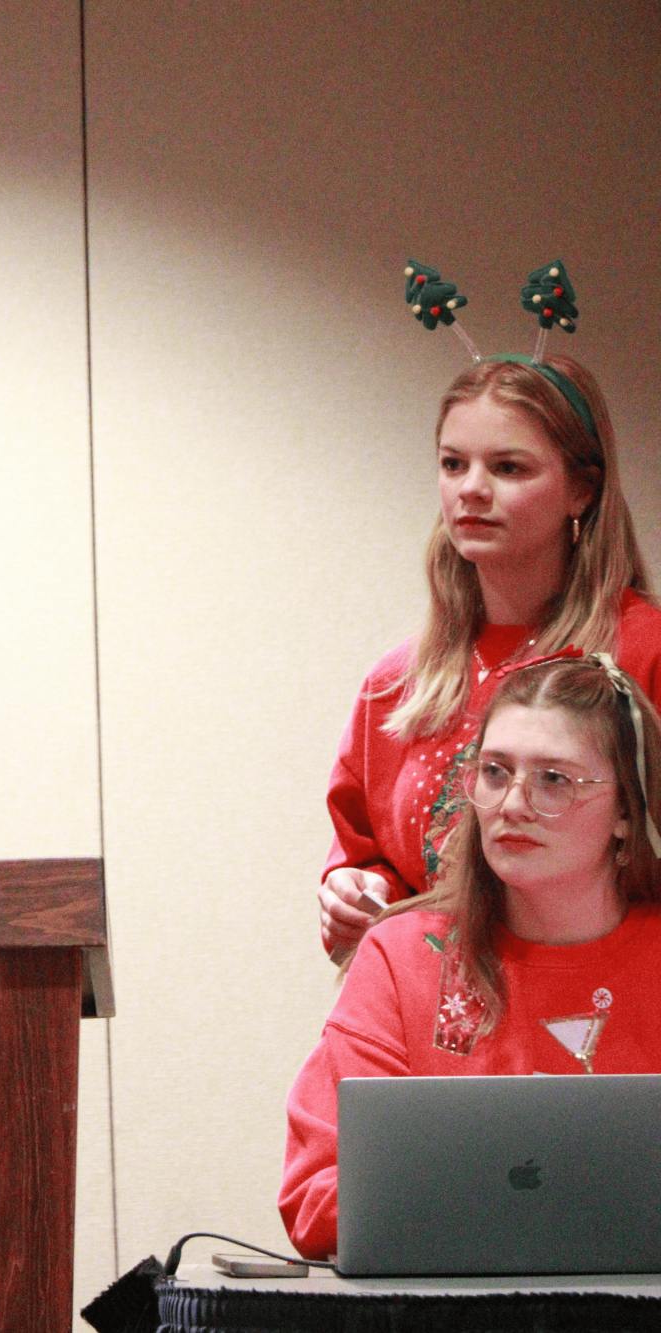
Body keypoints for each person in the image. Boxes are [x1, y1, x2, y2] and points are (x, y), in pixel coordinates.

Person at [283, 654, 661, 1258]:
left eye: (554, 780)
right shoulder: (402, 955)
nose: (512, 804)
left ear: (625, 811)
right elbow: (316, 1194)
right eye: (494, 772)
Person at [319, 354, 661, 959]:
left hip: (611, 1002)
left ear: (581, 488)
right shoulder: (399, 682)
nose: (471, 489)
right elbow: (366, 851)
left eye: (507, 467)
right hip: (433, 1005)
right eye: (454, 464)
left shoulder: (643, 650)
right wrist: (356, 891)